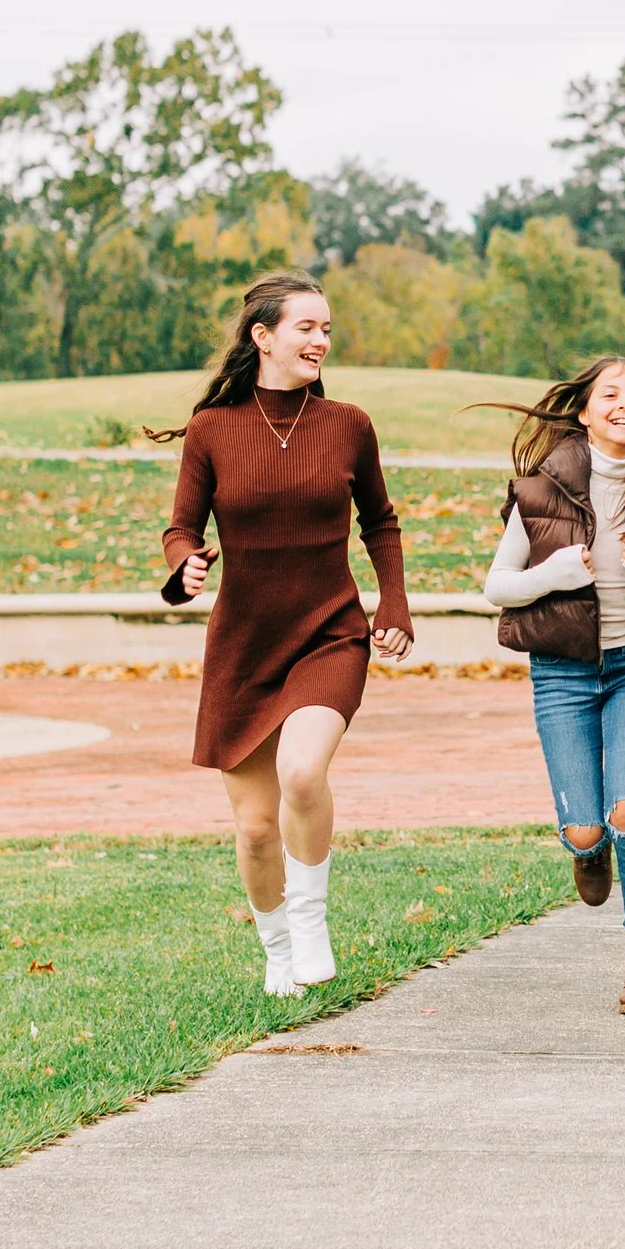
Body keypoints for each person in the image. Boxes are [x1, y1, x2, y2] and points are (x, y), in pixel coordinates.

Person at [153, 271, 413, 997]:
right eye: (307, 327)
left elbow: (380, 521)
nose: (321, 340)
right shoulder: (213, 428)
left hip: (330, 628)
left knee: (304, 772)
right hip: (244, 642)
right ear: (263, 336)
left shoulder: (347, 424)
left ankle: (310, 918)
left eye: (327, 328)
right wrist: (184, 569)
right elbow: (182, 527)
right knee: (257, 827)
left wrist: (391, 604)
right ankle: (276, 951)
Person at [479, 357, 625, 1015]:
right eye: (611, 394)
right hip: (561, 674)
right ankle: (589, 846)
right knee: (585, 829)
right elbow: (498, 587)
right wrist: (553, 572)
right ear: (584, 410)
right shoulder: (541, 489)